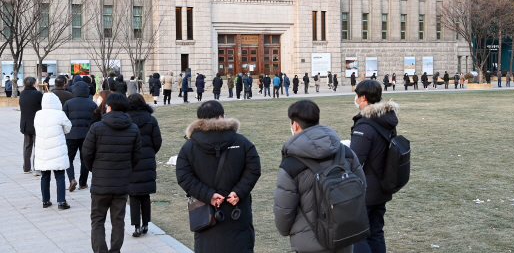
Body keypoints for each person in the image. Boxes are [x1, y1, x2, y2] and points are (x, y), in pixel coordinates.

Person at [274, 100, 365, 253]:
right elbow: (361, 186)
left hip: (309, 241)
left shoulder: (290, 165)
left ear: (294, 125)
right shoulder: (345, 152)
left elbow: (283, 209)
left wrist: (286, 230)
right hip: (344, 234)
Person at [176, 101, 261, 253]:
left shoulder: (189, 146)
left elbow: (184, 176)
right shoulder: (242, 142)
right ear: (221, 116)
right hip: (237, 211)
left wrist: (208, 195)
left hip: (206, 214)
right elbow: (253, 169)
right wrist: (238, 192)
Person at [83, 93, 141, 253]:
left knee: (97, 220)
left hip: (101, 183)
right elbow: (136, 156)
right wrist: (126, 170)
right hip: (121, 183)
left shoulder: (96, 128)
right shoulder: (134, 129)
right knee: (118, 220)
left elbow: (86, 153)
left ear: (109, 107)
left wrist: (94, 169)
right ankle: (115, 250)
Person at [351, 80, 399, 253]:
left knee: (356, 234)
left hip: (366, 189)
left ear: (363, 97)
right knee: (375, 231)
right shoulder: (386, 120)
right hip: (382, 185)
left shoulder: (365, 124)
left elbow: (355, 160)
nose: (355, 99)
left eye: (356, 95)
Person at [126, 94, 162, 237]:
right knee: (145, 194)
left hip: (131, 160)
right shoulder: (151, 120)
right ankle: (146, 223)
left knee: (134, 195)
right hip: (147, 159)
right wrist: (151, 152)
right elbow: (157, 141)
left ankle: (136, 226)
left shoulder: (126, 119)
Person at [34, 93, 73, 209]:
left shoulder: (38, 114)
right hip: (57, 147)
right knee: (60, 175)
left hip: (43, 148)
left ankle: (45, 201)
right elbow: (68, 127)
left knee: (45, 175)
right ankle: (61, 201)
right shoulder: (59, 114)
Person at [63, 80, 97, 192]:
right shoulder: (92, 104)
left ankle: (72, 179)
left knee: (69, 158)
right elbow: (95, 121)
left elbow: (64, 120)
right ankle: (83, 183)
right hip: (87, 136)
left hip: (71, 135)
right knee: (85, 159)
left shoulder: (68, 103)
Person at [20, 77, 43, 175]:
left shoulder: (22, 94)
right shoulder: (38, 94)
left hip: (25, 124)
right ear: (34, 84)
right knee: (37, 146)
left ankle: (26, 168)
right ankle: (37, 168)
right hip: (36, 123)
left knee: (27, 146)